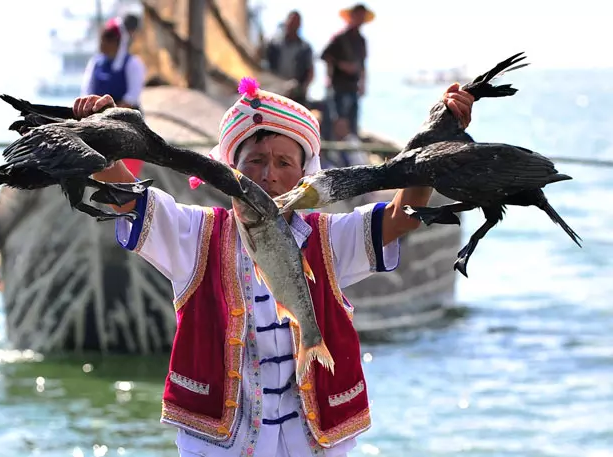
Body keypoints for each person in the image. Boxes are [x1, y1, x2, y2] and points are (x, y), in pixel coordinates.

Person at [72, 77, 474, 456]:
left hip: (314, 444)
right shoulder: (196, 235)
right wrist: (101, 133)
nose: (269, 175)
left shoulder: (329, 238)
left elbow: (403, 216)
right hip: (218, 446)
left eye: (285, 163)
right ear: (231, 173)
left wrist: (437, 137)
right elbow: (129, 200)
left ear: (304, 175)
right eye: (256, 161)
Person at [81, 17, 147, 176]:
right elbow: (85, 92)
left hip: (127, 127)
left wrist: (109, 113)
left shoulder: (133, 64)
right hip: (99, 127)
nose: (102, 44)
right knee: (102, 178)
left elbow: (131, 98)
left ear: (118, 42)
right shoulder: (95, 63)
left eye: (107, 40)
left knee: (127, 179)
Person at [320, 3, 374, 138]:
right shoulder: (339, 38)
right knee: (338, 122)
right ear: (351, 16)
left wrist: (363, 84)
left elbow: (362, 64)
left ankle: (350, 154)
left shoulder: (361, 40)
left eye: (362, 16)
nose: (360, 19)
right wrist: (342, 65)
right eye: (358, 15)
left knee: (352, 124)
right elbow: (325, 56)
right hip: (339, 86)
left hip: (353, 87)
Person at [265, 11, 315, 107]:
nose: (293, 25)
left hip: (295, 96)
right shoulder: (274, 44)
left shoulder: (305, 48)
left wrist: (301, 89)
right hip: (274, 92)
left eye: (296, 23)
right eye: (292, 22)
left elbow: (310, 72)